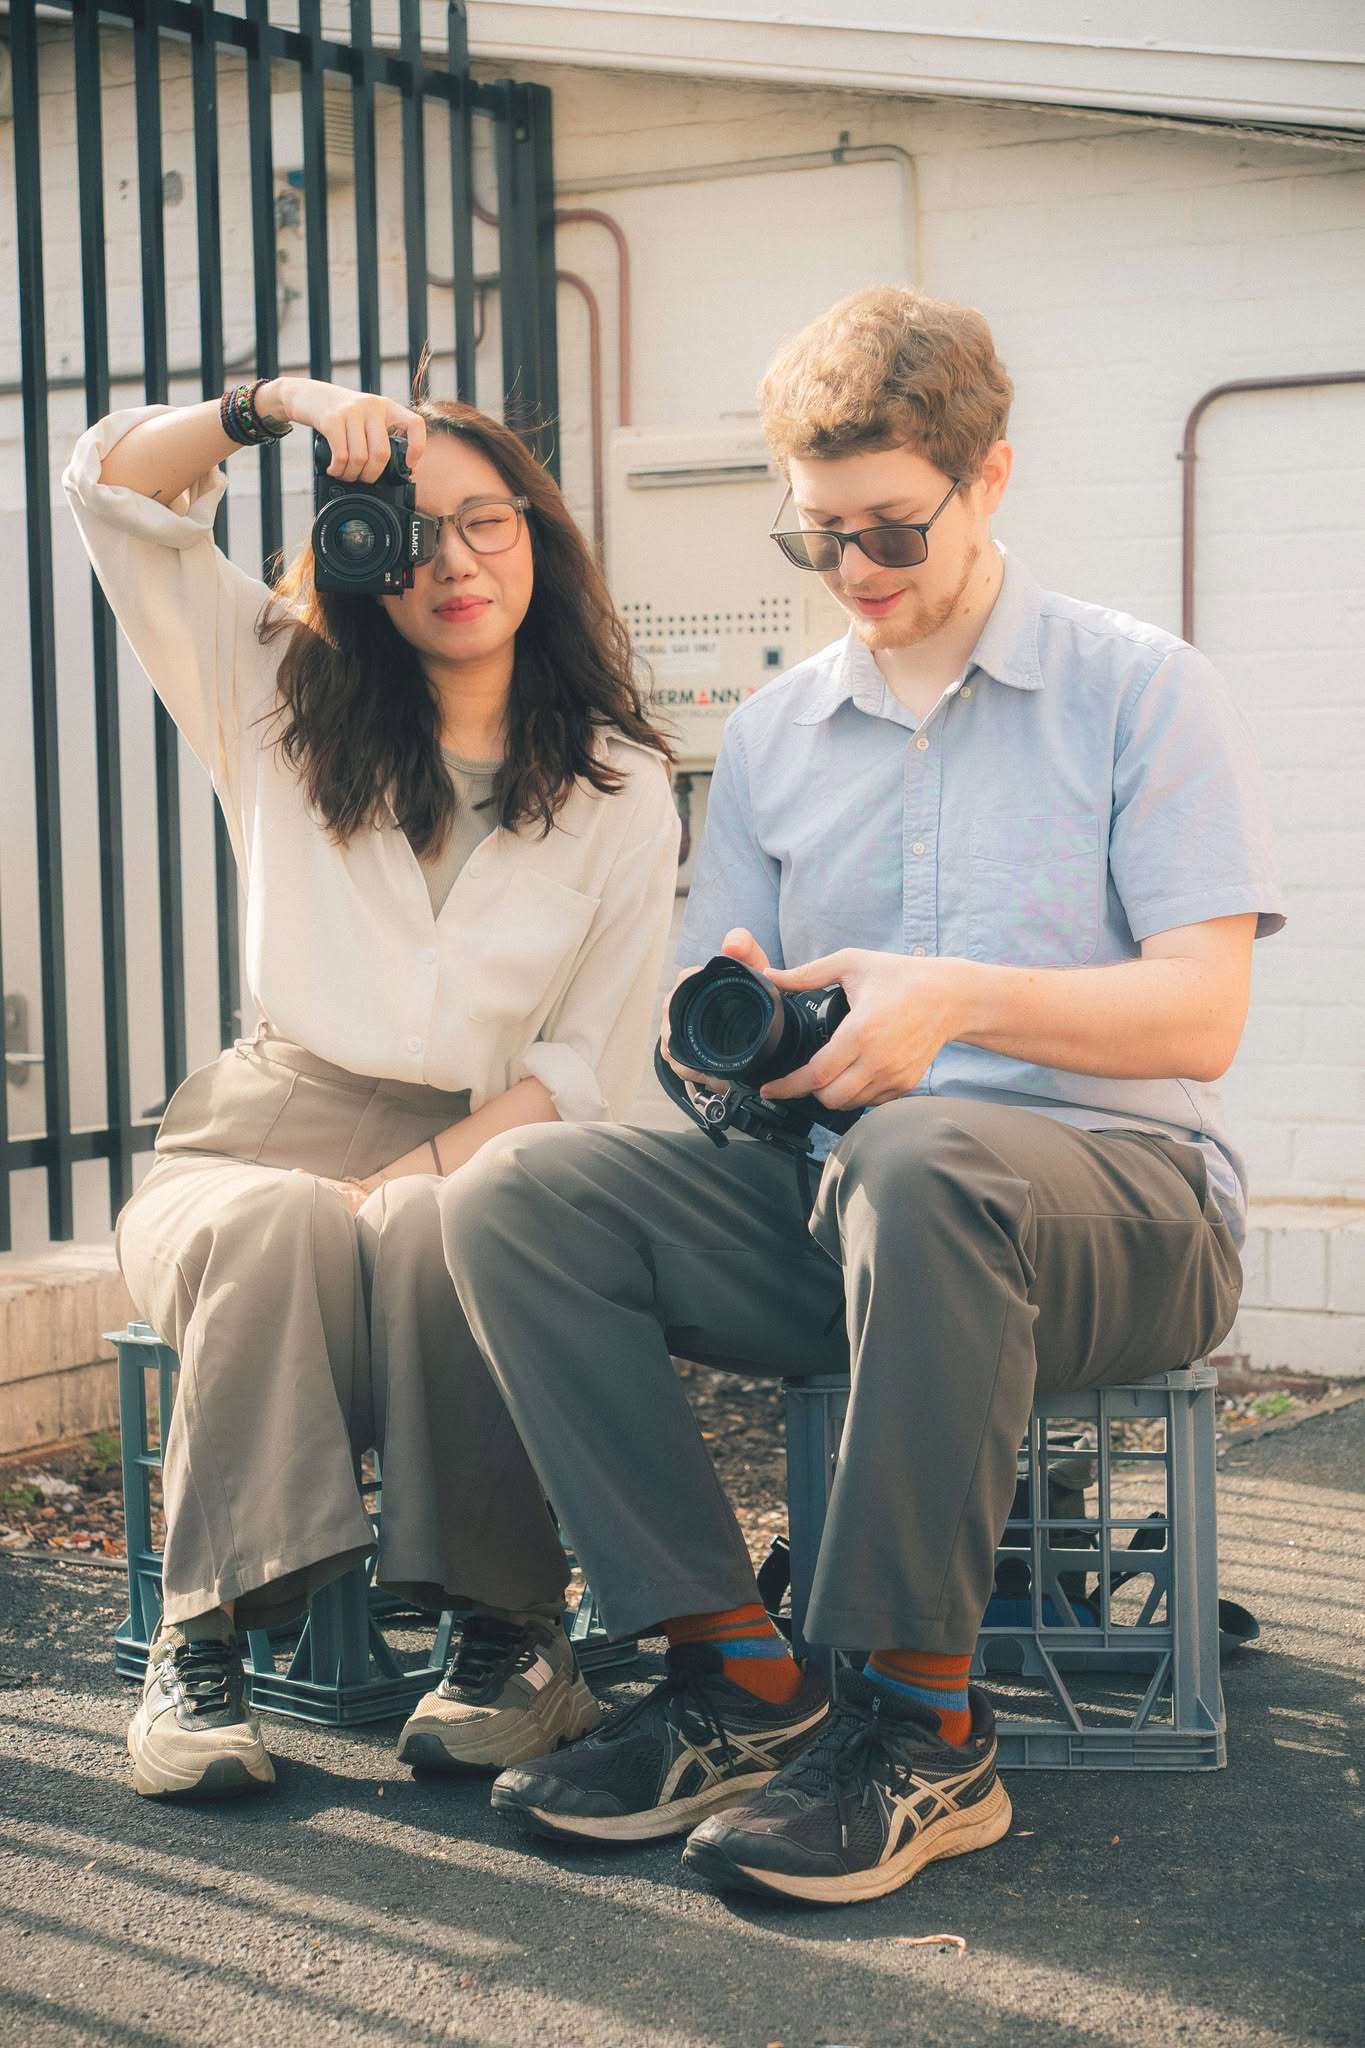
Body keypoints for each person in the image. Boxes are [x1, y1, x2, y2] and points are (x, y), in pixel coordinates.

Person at [436, 286, 1283, 1905]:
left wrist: (954, 1003)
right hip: (847, 1207)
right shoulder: (770, 735)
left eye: (889, 530)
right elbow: (711, 1017)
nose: (852, 574)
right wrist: (728, 1055)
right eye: (813, 536)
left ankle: (922, 1733)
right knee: (515, 1198)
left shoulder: (1140, 688)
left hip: (1126, 1217)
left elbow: (1204, 1014)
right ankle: (740, 1676)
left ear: (993, 478)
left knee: (924, 1150)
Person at [63, 373, 679, 1799]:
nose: (455, 563)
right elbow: (111, 492)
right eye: (411, 534)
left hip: (487, 1145)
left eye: (486, 523)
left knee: (440, 1224)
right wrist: (269, 405)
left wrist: (408, 1176)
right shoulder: (277, 688)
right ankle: (200, 1649)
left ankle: (510, 1643)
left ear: (541, 535)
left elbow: (587, 1063)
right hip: (257, 1130)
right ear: (362, 558)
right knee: (277, 1224)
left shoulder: (616, 785)